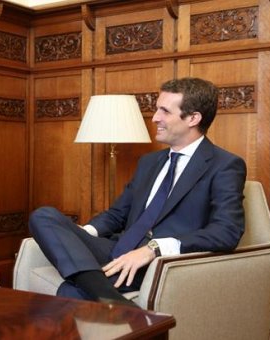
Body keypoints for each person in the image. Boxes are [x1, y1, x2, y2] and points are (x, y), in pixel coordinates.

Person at [29, 77, 246, 307]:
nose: (155, 118)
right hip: (118, 248)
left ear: (193, 118)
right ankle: (110, 297)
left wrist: (154, 248)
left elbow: (227, 232)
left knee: (71, 290)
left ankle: (95, 288)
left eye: (165, 111)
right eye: (156, 110)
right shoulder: (149, 162)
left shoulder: (224, 165)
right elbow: (117, 215)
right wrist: (80, 233)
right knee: (43, 216)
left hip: (156, 263)